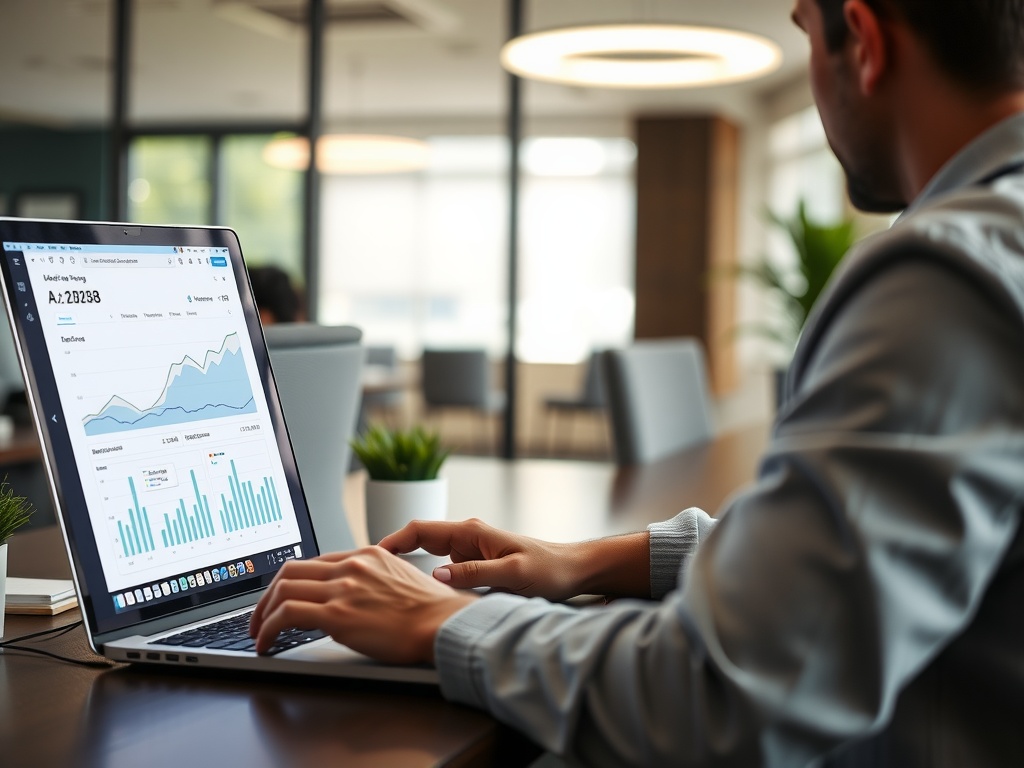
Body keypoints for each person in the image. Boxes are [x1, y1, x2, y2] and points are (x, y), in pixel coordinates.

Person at [250, 0, 1024, 763]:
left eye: (804, 35)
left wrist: (441, 620)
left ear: (862, 41)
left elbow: (719, 691)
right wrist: (584, 560)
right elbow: (846, 565)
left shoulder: (948, 275)